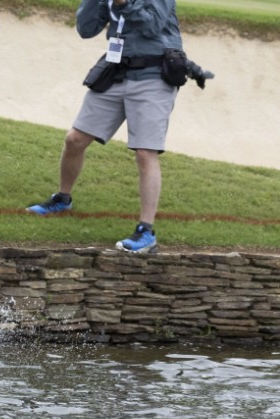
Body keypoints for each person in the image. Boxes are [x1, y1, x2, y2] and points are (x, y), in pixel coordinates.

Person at [25, 0, 183, 254]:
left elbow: (152, 26)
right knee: (74, 139)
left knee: (145, 153)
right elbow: (86, 29)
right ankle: (62, 200)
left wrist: (123, 3)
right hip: (116, 71)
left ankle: (146, 231)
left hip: (154, 74)